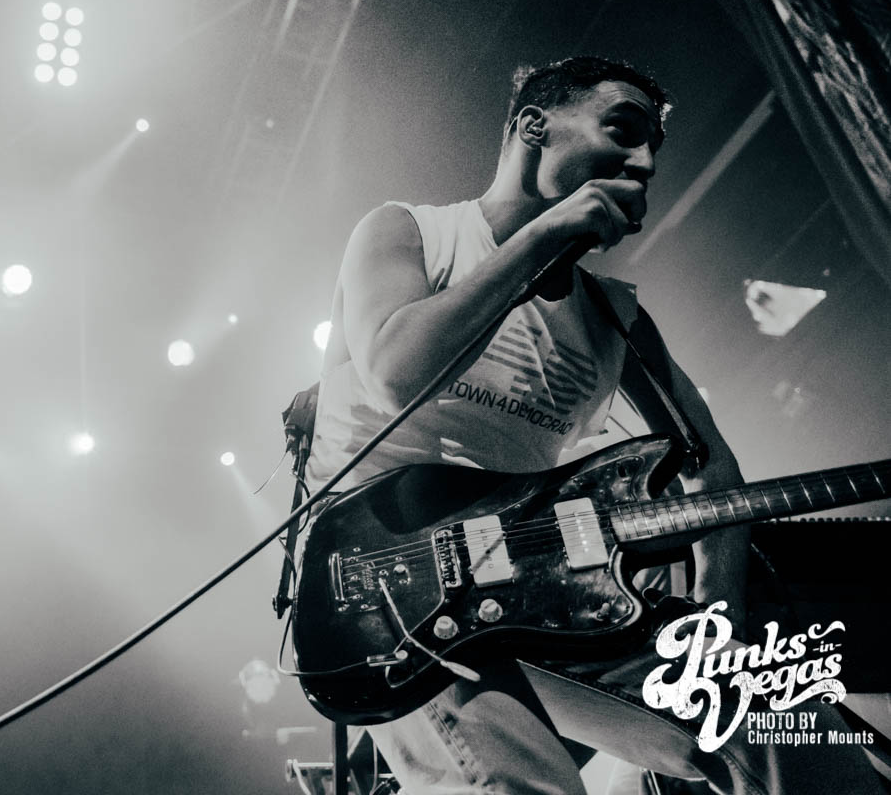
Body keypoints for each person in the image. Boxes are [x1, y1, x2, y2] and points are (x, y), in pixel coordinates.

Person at [300, 57, 881, 794]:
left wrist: (718, 622)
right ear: (533, 127)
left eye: (653, 151)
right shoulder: (408, 231)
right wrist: (545, 236)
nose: (644, 164)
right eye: (623, 130)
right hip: (388, 589)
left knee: (790, 731)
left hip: (543, 591)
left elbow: (710, 465)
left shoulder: (614, 315)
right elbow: (396, 373)